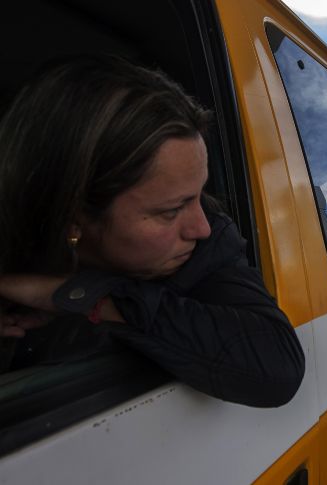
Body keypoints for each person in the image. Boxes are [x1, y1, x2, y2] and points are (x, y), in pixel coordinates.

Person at [0, 56, 305, 407]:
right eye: (171, 211)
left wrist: (82, 297)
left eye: (199, 195)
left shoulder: (206, 245)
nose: (201, 227)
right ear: (73, 217)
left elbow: (275, 369)